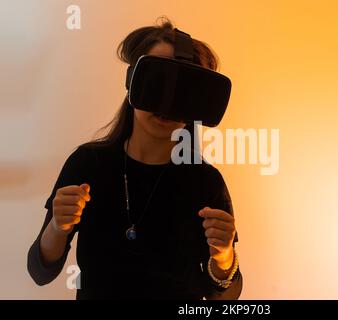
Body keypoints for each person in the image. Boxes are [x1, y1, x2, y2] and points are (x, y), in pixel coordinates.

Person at [27, 18, 243, 300]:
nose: (168, 103)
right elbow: (40, 271)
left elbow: (226, 297)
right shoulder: (88, 164)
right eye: (158, 81)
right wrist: (58, 227)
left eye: (183, 90)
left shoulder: (205, 181)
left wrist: (224, 258)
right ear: (133, 83)